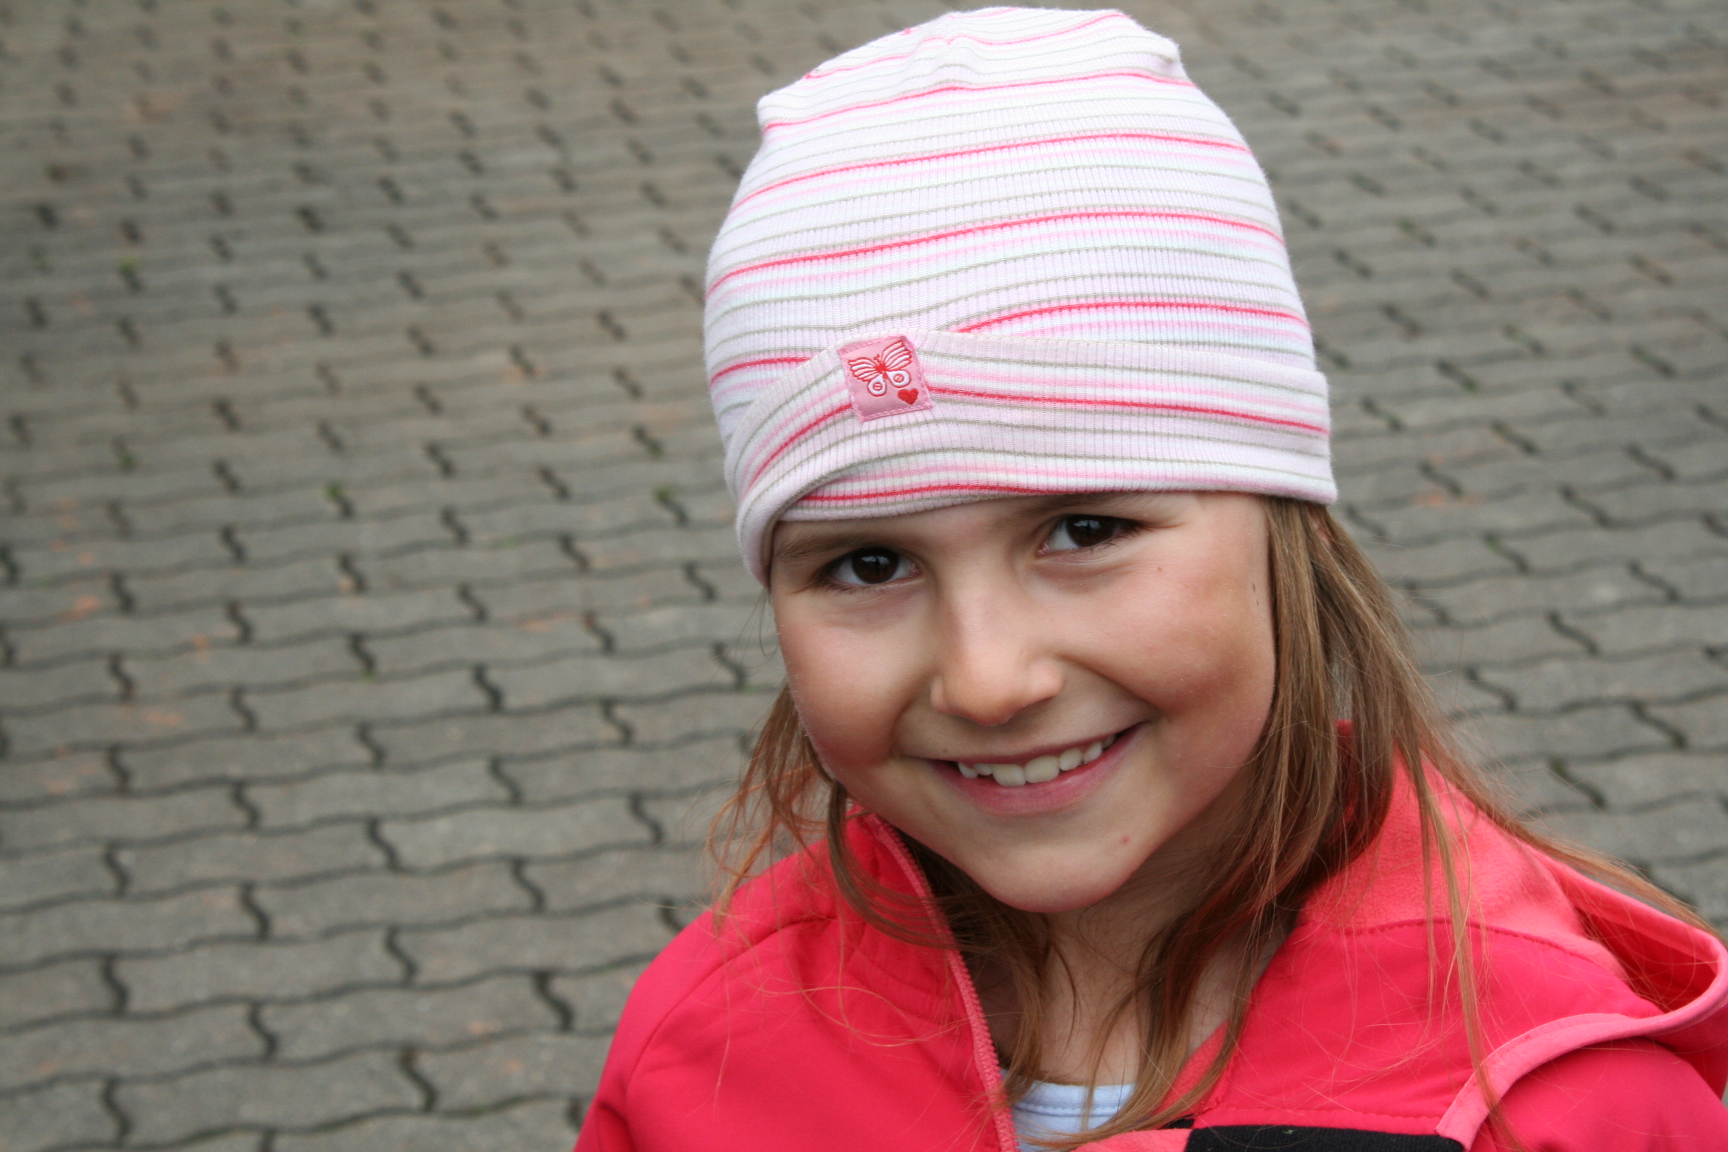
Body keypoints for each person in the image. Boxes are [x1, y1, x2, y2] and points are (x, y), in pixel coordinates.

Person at [574, 9, 1728, 1150]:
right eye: (869, 562)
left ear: (1288, 532)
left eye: (1084, 530)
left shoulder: (1560, 1107)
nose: (987, 681)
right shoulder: (702, 1052)